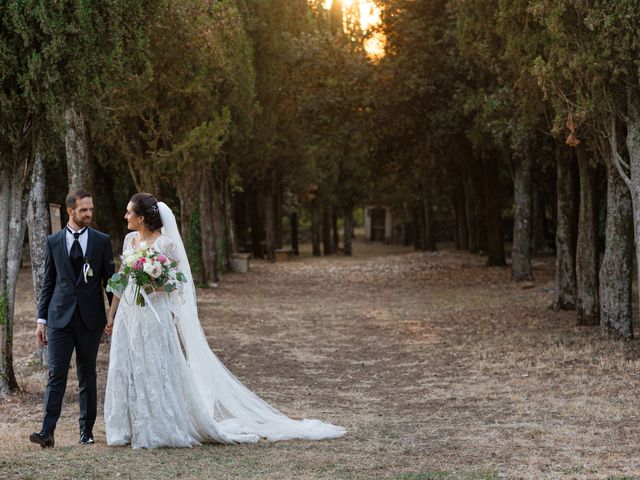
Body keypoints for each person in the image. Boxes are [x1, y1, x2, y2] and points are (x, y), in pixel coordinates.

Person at [104, 193, 345, 448]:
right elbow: (122, 278)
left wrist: (155, 286)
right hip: (130, 315)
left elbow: (177, 283)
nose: (125, 216)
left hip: (155, 315)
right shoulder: (130, 240)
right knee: (128, 365)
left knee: (154, 366)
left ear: (141, 218)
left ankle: (158, 426)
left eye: (129, 212)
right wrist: (112, 313)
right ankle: (129, 426)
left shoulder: (166, 245)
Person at [30, 189, 115, 448]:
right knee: (56, 374)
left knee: (87, 375)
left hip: (91, 319)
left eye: (91, 209)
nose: (89, 214)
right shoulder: (53, 241)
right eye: (83, 210)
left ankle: (86, 432)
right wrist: (41, 320)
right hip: (58, 319)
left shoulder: (101, 241)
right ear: (70, 211)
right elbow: (49, 283)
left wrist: (115, 317)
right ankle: (47, 432)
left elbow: (110, 282)